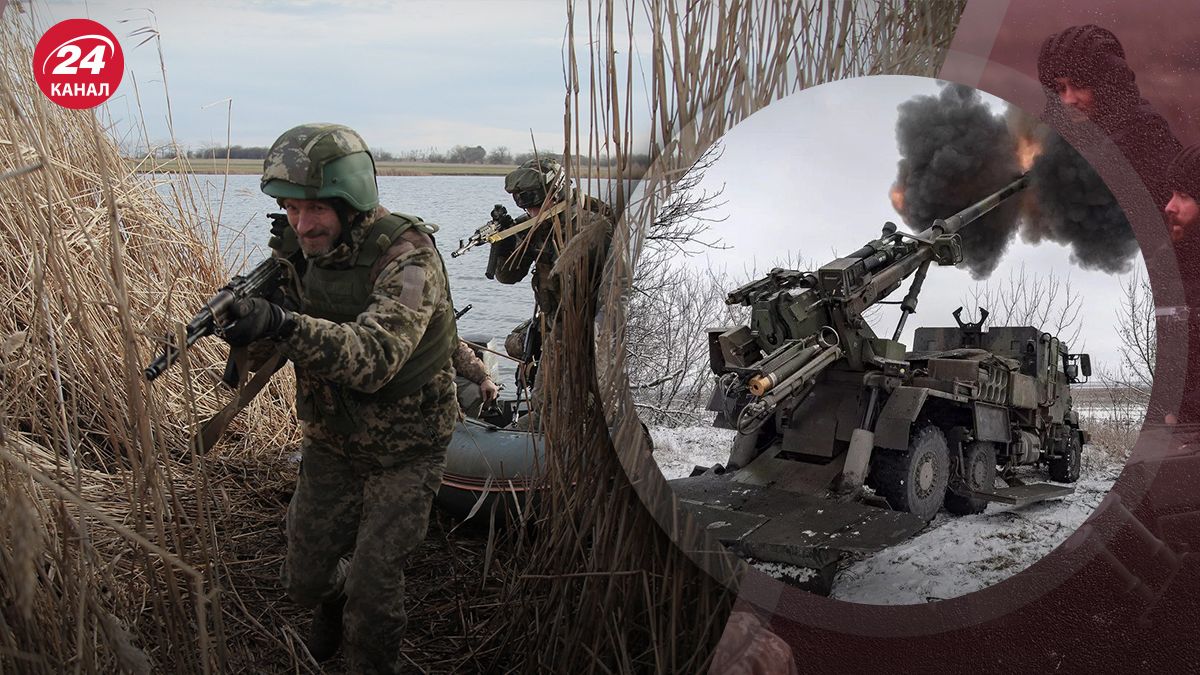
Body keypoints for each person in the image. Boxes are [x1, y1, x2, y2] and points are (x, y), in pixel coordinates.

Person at [218, 123, 459, 673]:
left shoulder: (409, 257)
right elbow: (276, 346)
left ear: (350, 200)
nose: (302, 225)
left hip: (407, 451)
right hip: (332, 440)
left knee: (375, 595)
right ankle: (334, 594)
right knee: (302, 579)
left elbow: (375, 358)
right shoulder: (300, 255)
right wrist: (250, 331)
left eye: (315, 210)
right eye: (291, 209)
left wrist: (283, 322)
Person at [486, 157, 614, 428]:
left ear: (554, 192)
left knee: (549, 407)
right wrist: (506, 244)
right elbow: (508, 276)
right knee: (516, 342)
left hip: (581, 325)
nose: (530, 211)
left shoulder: (592, 226)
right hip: (551, 319)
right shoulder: (535, 225)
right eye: (523, 204)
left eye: (534, 203)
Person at [1036, 24, 1182, 211]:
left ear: (1106, 85)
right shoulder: (1062, 136)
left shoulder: (1144, 137)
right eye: (1060, 88)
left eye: (1079, 84)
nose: (1068, 99)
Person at [452, 338, 499, 417]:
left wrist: (484, 379)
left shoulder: (441, 328)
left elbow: (461, 353)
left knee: (475, 392)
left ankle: (467, 426)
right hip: (426, 380)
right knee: (450, 389)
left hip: (445, 378)